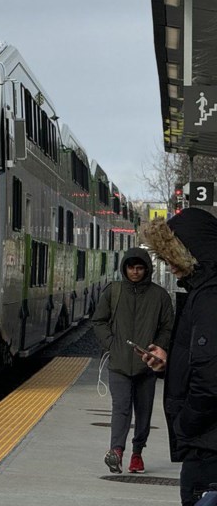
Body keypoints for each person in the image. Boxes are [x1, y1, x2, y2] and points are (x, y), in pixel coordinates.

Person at [140, 208, 217, 506]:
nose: (169, 265)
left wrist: (185, 424)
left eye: (172, 255)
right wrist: (171, 365)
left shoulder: (209, 298)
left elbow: (211, 380)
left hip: (208, 451)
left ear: (192, 252)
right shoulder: (204, 292)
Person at [92, 247, 174, 474]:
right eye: (131, 268)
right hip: (119, 364)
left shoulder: (160, 296)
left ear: (147, 269)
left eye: (139, 268)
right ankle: (116, 452)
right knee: (120, 408)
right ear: (124, 268)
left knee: (144, 412)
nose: (135, 272)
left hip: (147, 366)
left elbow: (168, 327)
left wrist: (157, 348)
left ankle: (137, 453)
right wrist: (111, 345)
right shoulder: (113, 292)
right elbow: (98, 321)